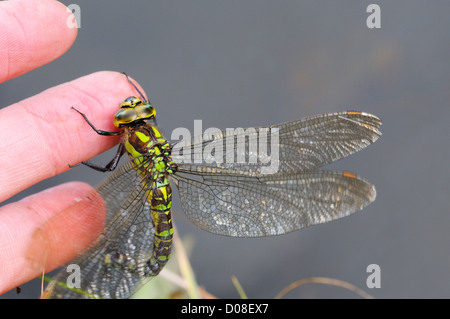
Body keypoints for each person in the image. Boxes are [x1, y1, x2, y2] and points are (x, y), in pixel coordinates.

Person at [0, 0, 145, 295]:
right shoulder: (140, 139)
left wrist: (80, 148)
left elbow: (109, 164)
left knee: (89, 204)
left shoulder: (125, 136)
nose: (131, 108)